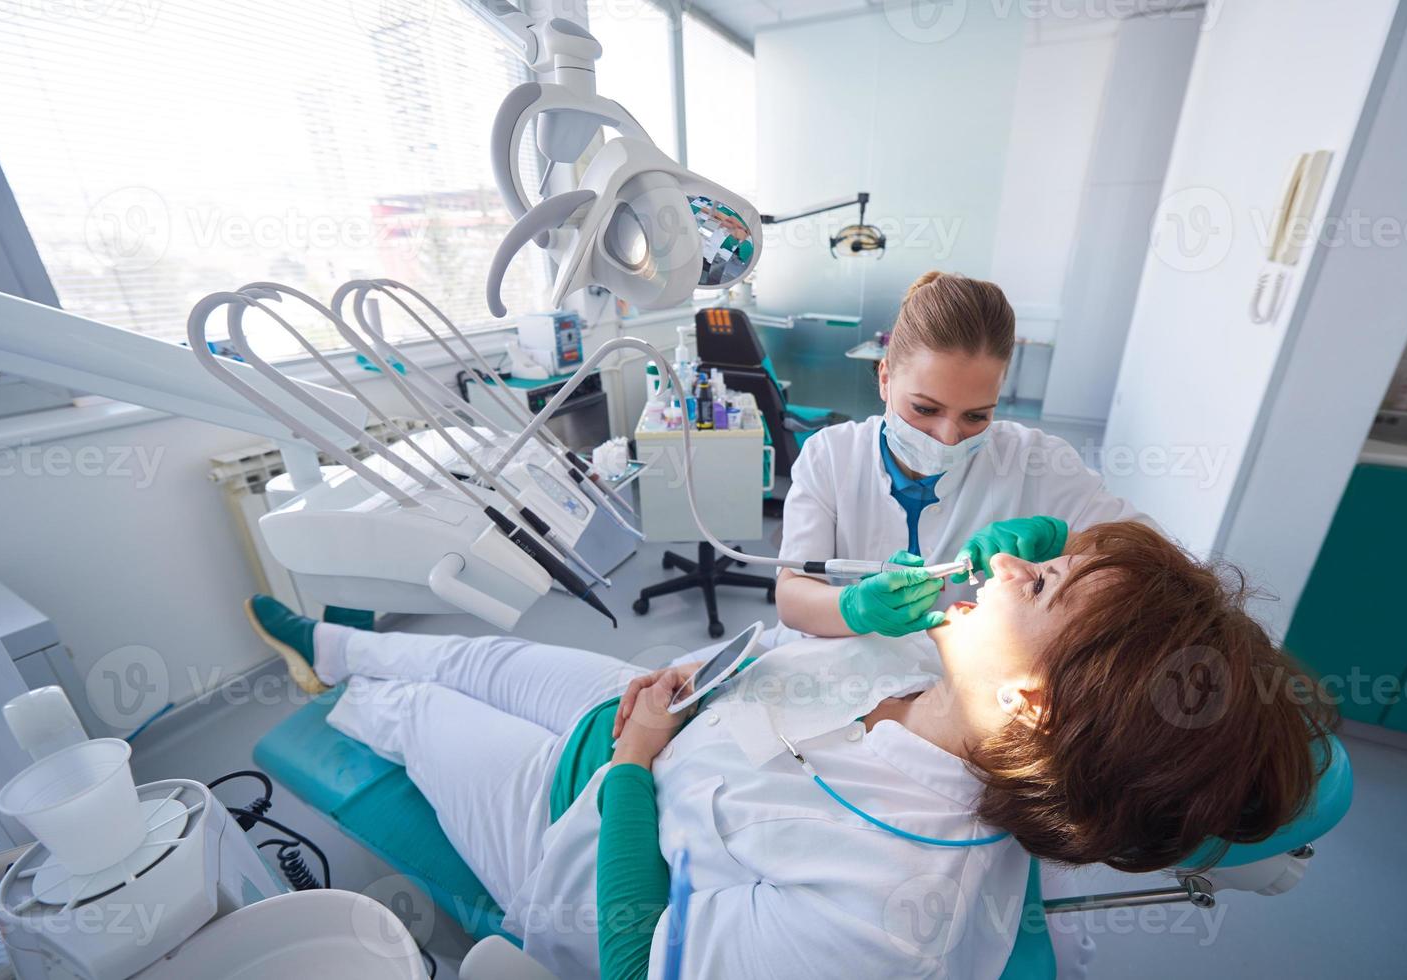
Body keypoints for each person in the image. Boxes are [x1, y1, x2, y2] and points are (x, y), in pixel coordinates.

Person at [246, 521, 1333, 980]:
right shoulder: (961, 684)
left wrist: (630, 766)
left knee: (420, 719)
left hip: (582, 822)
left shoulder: (883, 910)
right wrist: (900, 597)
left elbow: (633, 952)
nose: (1006, 566)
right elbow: (1017, 554)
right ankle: (334, 642)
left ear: (1038, 707)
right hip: (674, 708)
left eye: (1036, 587)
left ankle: (344, 683)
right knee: (487, 654)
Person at [774, 270, 1149, 644]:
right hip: (839, 670)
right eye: (925, 409)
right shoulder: (831, 455)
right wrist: (853, 608)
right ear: (885, 378)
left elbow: (1152, 562)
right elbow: (792, 597)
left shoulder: (1036, 460)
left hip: (960, 686)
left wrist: (1065, 543)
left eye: (976, 416)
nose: (948, 437)